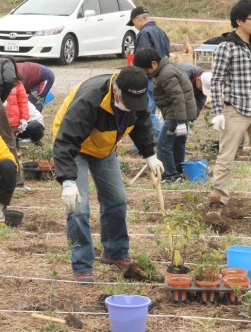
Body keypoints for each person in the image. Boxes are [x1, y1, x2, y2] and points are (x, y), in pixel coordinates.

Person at [52, 66, 163, 283]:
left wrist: (150, 154)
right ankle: (82, 264)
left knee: (117, 200)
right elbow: (65, 141)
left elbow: (141, 124)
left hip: (103, 147)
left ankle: (115, 251)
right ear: (116, 91)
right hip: (75, 146)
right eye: (127, 103)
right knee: (79, 208)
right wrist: (67, 180)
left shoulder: (135, 98)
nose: (132, 108)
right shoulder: (90, 100)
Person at [207, 0, 251, 218]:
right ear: (239, 21)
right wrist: (217, 111)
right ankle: (217, 201)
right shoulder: (227, 47)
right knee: (226, 157)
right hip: (237, 109)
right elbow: (216, 81)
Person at [134, 48, 197, 184]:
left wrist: (180, 122)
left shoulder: (166, 74)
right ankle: (178, 172)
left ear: (154, 64)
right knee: (178, 143)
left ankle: (170, 176)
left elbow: (178, 97)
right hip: (179, 113)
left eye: (146, 69)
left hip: (176, 115)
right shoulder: (168, 67)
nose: (145, 73)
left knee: (163, 144)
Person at [128, 6, 171, 141]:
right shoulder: (161, 31)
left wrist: (136, 75)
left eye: (133, 22)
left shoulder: (145, 33)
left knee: (147, 111)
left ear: (138, 19)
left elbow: (143, 58)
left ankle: (160, 138)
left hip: (148, 77)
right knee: (158, 110)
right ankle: (141, 143)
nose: (134, 26)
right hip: (162, 75)